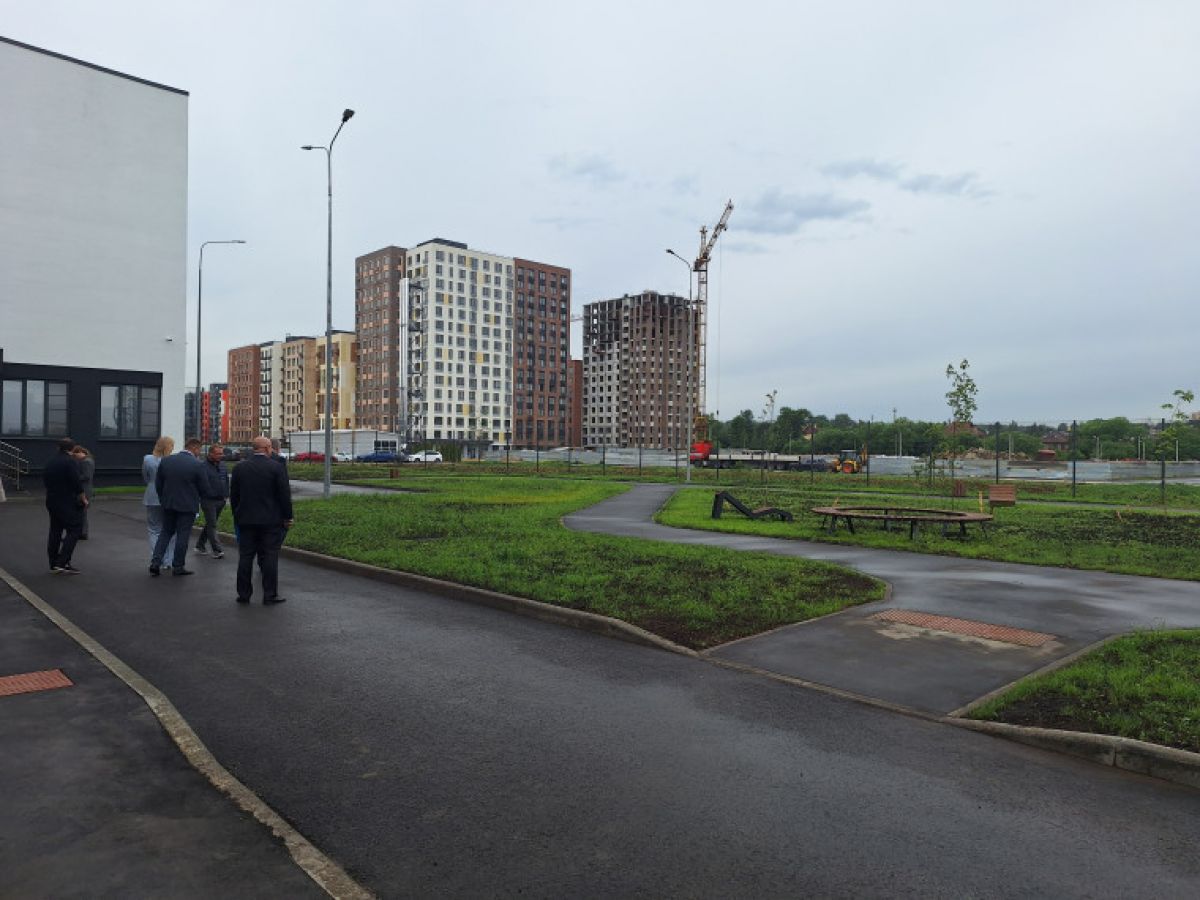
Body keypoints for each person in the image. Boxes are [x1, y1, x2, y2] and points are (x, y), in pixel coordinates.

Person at [230, 435, 294, 605]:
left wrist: (237, 515)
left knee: (245, 557)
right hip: (271, 520)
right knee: (270, 556)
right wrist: (288, 517)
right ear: (267, 448)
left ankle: (243, 594)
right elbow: (284, 495)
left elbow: (234, 495)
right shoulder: (276, 467)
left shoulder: (239, 468)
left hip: (246, 520)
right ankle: (269, 595)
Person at [150, 438, 205, 577]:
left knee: (165, 533)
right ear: (195, 448)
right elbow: (204, 487)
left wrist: (163, 499)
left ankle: (155, 562)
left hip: (169, 504)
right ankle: (178, 566)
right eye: (199, 450)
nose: (199, 453)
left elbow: (158, 484)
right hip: (187, 506)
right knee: (183, 535)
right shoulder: (197, 464)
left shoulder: (166, 461)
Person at [43, 436, 87, 574]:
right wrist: (83, 498)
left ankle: (53, 563)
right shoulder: (70, 462)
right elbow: (76, 482)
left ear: (58, 447)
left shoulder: (50, 461)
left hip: (52, 500)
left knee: (55, 530)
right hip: (67, 501)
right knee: (75, 529)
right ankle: (62, 562)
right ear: (72, 448)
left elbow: (45, 479)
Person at [143, 436, 177, 568]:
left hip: (151, 496)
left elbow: (146, 477)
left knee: (154, 529)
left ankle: (156, 558)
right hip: (168, 495)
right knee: (170, 529)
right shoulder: (171, 460)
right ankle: (169, 560)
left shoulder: (147, 459)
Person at [195, 442, 229, 559]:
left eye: (221, 453)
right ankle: (217, 550)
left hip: (221, 500)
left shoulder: (223, 465)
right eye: (218, 454)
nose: (221, 456)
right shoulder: (202, 466)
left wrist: (226, 495)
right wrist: (210, 494)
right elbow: (203, 484)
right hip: (208, 501)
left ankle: (200, 545)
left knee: (210, 524)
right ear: (210, 454)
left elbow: (226, 480)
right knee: (212, 524)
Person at [71, 445, 96, 540]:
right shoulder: (87, 461)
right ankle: (82, 532)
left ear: (81, 452)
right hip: (85, 489)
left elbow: (86, 476)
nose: (75, 457)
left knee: (82, 512)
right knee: (81, 512)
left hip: (84, 490)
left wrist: (74, 478)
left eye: (75, 455)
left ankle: (82, 532)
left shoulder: (86, 462)